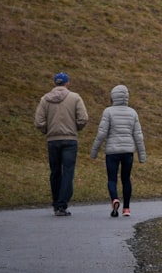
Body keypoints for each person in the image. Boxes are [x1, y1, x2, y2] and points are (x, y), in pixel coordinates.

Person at [34, 72, 88, 216]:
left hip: (52, 140)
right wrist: (75, 129)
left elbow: (39, 122)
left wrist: (48, 130)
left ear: (55, 83)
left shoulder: (45, 99)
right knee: (68, 172)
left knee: (55, 172)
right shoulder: (75, 98)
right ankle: (62, 205)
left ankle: (55, 202)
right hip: (70, 140)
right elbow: (83, 118)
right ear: (67, 83)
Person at [90, 84, 146, 217]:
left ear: (113, 96)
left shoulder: (108, 112)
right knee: (126, 179)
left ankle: (114, 199)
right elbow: (138, 135)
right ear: (126, 97)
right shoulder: (133, 112)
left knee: (112, 179)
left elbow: (102, 133)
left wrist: (95, 151)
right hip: (128, 151)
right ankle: (126, 208)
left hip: (112, 152)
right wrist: (142, 155)